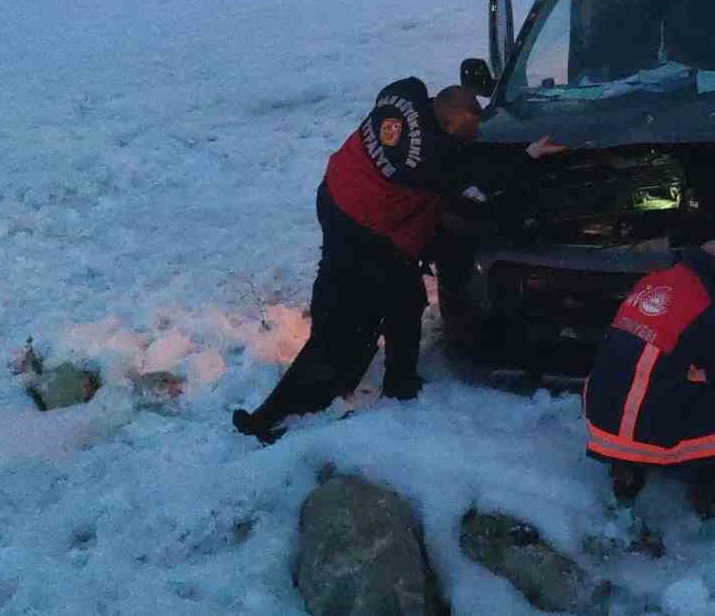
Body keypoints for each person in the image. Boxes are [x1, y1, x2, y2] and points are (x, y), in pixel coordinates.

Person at [233, 77, 564, 444]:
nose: (475, 135)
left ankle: (396, 382)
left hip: (335, 191)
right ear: (447, 124)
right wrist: (529, 155)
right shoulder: (427, 159)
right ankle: (281, 413)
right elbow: (480, 181)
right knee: (356, 317)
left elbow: (413, 120)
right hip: (363, 228)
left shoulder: (406, 92)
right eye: (469, 130)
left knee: (395, 297)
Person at [583, 241, 715, 517]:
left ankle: (625, 469)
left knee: (656, 379)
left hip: (601, 416)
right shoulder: (712, 303)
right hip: (643, 428)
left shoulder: (652, 281)